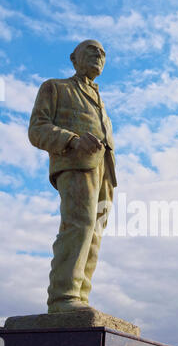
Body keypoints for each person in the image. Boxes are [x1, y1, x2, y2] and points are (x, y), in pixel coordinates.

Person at [28, 39, 117, 313]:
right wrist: (73, 140)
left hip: (105, 171)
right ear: (73, 58)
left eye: (102, 52)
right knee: (79, 224)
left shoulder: (101, 100)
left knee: (94, 233)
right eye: (91, 50)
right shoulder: (56, 87)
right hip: (75, 162)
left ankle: (79, 297)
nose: (98, 54)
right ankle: (63, 297)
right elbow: (37, 129)